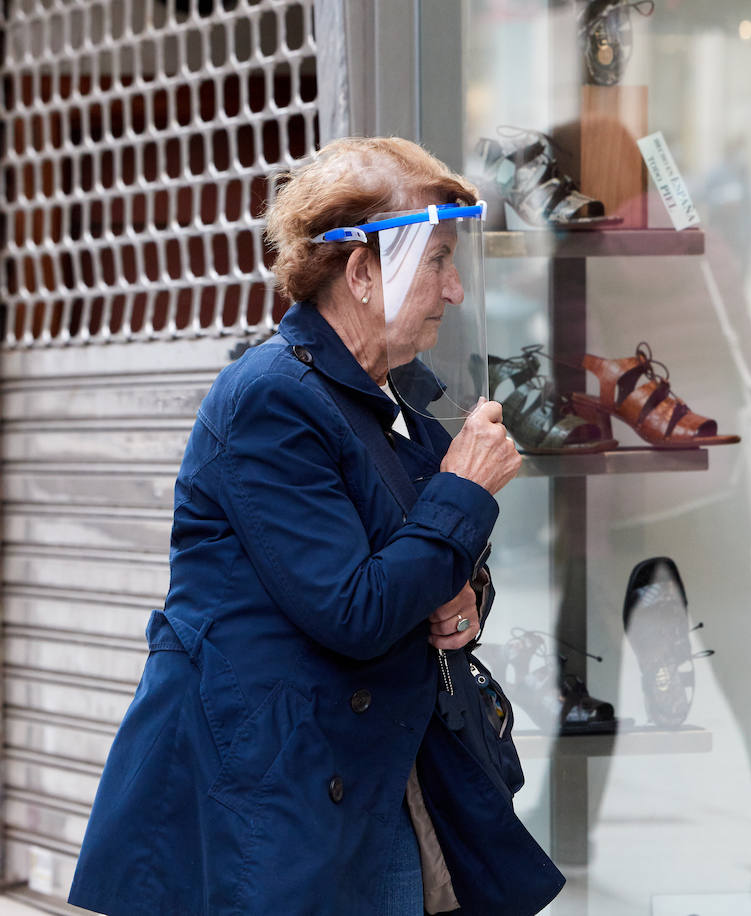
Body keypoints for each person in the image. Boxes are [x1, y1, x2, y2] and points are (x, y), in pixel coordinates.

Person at [66, 137, 540, 915]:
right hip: (271, 794)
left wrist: (464, 600)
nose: (455, 291)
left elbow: (424, 555)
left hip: (370, 776)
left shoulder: (397, 396)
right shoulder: (270, 398)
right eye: (437, 260)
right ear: (360, 272)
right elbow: (354, 609)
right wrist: (463, 488)